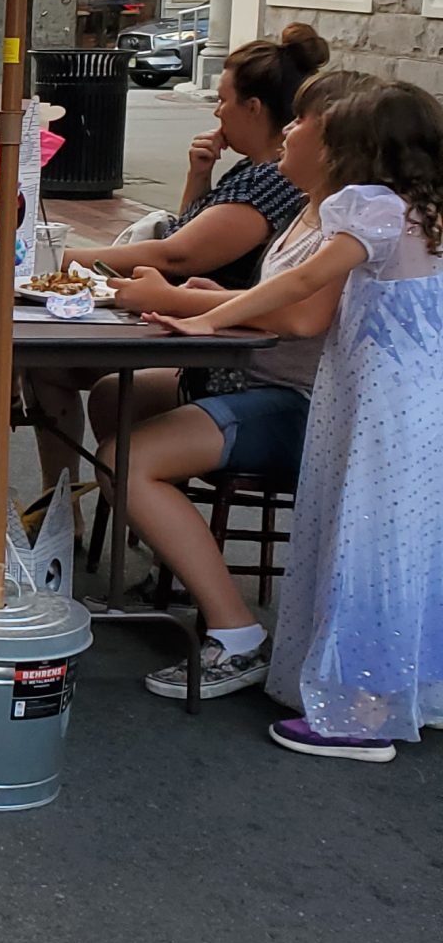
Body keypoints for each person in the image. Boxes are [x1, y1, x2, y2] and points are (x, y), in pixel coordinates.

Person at [149, 77, 443, 757]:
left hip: (375, 402)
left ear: (361, 152)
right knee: (408, 547)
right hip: (422, 405)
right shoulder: (428, 212)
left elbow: (304, 283)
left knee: (359, 544)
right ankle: (403, 692)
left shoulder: (368, 207)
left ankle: (357, 715)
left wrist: (212, 317)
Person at [91, 68, 367, 701]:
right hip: (251, 379)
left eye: (300, 123)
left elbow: (304, 316)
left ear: (332, 145)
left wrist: (185, 304)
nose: (287, 132)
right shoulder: (309, 207)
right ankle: (178, 560)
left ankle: (238, 634)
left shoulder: (344, 220)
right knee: (113, 396)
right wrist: (223, 299)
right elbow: (278, 297)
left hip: (299, 405)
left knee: (124, 462)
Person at [22, 25, 331, 494]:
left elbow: (179, 254)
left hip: (219, 351)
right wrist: (200, 175)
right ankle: (90, 510)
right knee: (63, 375)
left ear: (253, 108)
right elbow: (188, 233)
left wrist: (57, 256)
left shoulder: (275, 184)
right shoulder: (254, 172)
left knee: (50, 368)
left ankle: (90, 507)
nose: (216, 111)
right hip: (196, 328)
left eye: (224, 100)